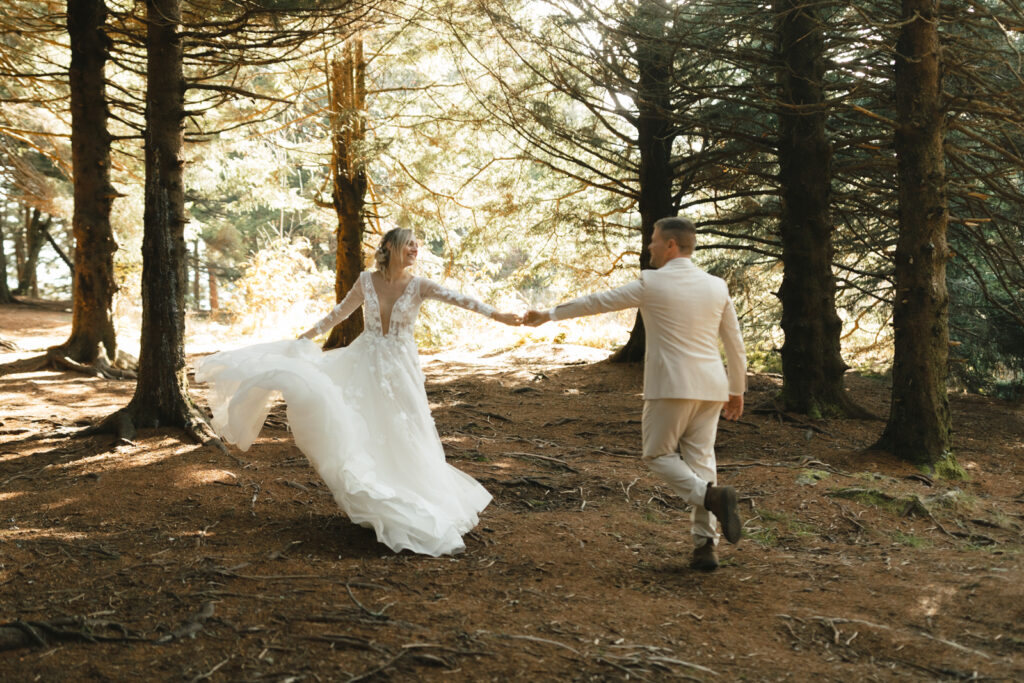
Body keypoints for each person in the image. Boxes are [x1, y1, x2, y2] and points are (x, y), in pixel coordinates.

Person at [197, 228, 522, 556]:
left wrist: (500, 316)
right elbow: (340, 313)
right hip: (363, 362)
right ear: (391, 247)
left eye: (416, 244)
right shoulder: (367, 281)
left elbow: (462, 299)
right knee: (366, 425)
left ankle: (417, 497)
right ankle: (376, 493)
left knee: (407, 429)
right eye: (409, 243)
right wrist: (306, 335)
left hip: (401, 369)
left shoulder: (419, 285)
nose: (415, 248)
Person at [524, 216, 746, 571]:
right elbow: (733, 341)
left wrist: (548, 314)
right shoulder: (716, 286)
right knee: (701, 461)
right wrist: (736, 388)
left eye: (654, 240)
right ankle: (705, 546)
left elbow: (598, 302)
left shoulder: (651, 282)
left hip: (671, 386)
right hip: (712, 387)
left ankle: (710, 497)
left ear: (671, 245)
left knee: (657, 456)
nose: (650, 246)